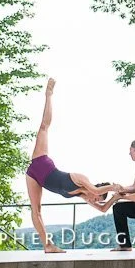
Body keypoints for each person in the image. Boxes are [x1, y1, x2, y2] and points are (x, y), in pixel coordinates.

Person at [25, 78, 112, 253]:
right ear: (97, 189)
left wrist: (116, 197)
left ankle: (48, 246)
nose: (95, 200)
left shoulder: (82, 195)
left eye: (96, 200)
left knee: (37, 210)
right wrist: (117, 187)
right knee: (44, 127)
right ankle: (48, 94)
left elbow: (103, 209)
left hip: (33, 176)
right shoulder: (82, 181)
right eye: (97, 197)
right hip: (42, 163)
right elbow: (95, 192)